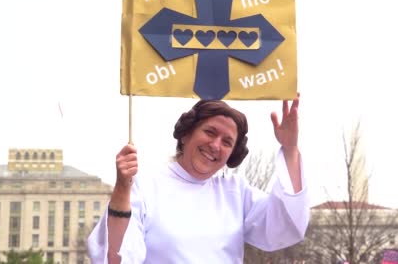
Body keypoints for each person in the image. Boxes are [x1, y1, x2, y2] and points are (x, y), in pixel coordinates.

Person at [87, 95, 309, 263]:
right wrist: (121, 190)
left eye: (227, 142)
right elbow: (114, 257)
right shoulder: (144, 187)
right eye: (210, 132)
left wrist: (290, 149)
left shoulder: (236, 192)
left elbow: (287, 226)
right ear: (186, 134)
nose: (215, 145)